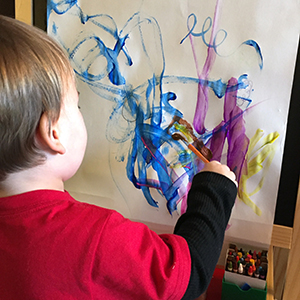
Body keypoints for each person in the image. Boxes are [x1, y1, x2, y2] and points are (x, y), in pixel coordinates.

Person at [0, 15, 237, 300]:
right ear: (53, 132)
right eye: (76, 104)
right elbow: (188, 274)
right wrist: (214, 188)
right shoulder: (95, 237)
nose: (80, 111)